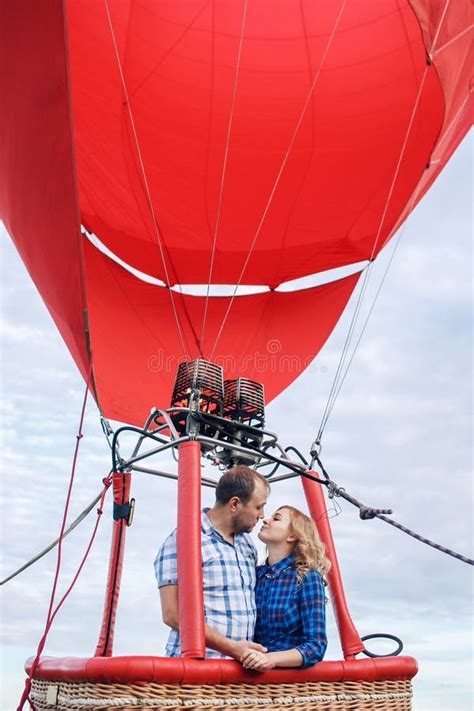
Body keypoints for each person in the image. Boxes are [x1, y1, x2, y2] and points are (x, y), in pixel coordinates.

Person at [154, 465, 270, 660]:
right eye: (258, 506)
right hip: (198, 668)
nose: (262, 515)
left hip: (239, 669)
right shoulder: (183, 540)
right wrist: (232, 648)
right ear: (235, 504)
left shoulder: (247, 544)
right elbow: (172, 614)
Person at [241, 505, 330, 671]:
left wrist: (270, 659)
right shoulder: (254, 575)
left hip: (286, 682)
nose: (266, 520)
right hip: (247, 677)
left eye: (276, 518)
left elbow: (316, 646)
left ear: (292, 535)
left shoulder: (307, 577)